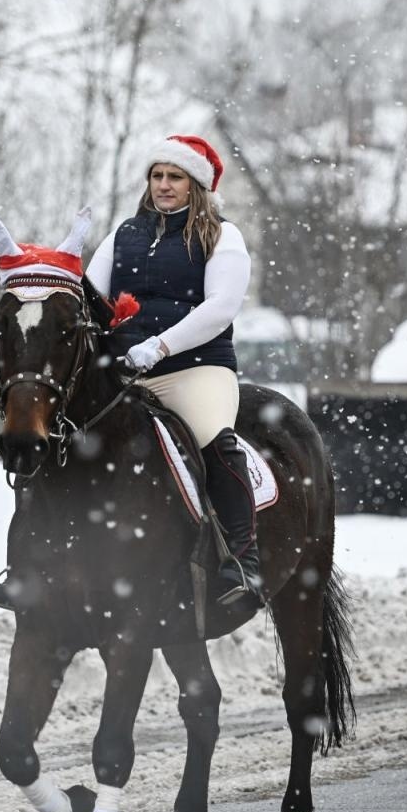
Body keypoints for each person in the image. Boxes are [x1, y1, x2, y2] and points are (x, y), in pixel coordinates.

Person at [85, 134, 262, 606]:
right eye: (157, 176)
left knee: (214, 441)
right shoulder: (123, 234)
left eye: (175, 177)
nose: (164, 185)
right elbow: (90, 299)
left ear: (195, 185)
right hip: (125, 372)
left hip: (194, 369)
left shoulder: (222, 235)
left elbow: (220, 308)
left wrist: (161, 346)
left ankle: (244, 562)